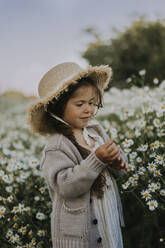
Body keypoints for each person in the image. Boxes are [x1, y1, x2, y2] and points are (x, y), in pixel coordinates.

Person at [27, 62, 129, 248]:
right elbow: (65, 186)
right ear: (58, 109)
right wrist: (97, 160)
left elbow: (116, 172)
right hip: (80, 236)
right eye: (79, 104)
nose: (88, 109)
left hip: (107, 221)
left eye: (92, 103)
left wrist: (117, 162)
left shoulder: (96, 133)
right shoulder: (56, 146)